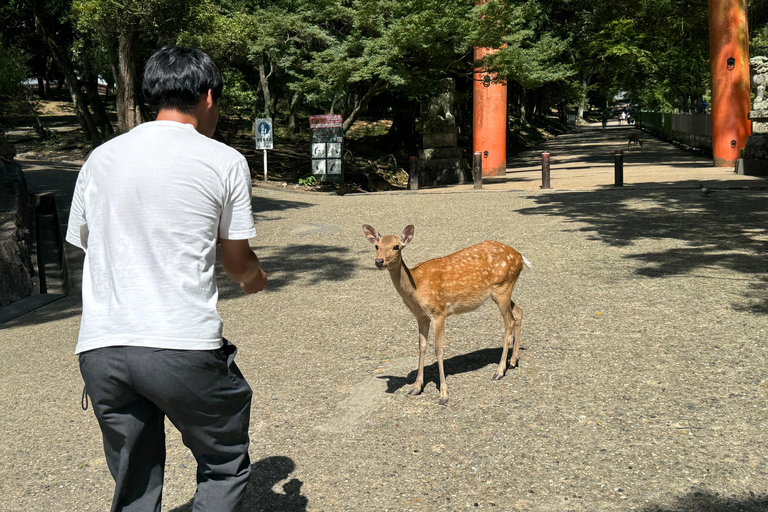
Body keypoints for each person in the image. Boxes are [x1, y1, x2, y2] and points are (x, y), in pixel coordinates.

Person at [66, 46, 267, 512]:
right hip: (181, 346)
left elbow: (85, 244)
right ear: (209, 97)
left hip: (102, 349)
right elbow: (237, 262)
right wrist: (254, 277)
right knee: (223, 463)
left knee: (133, 481)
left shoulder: (100, 158)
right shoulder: (224, 160)